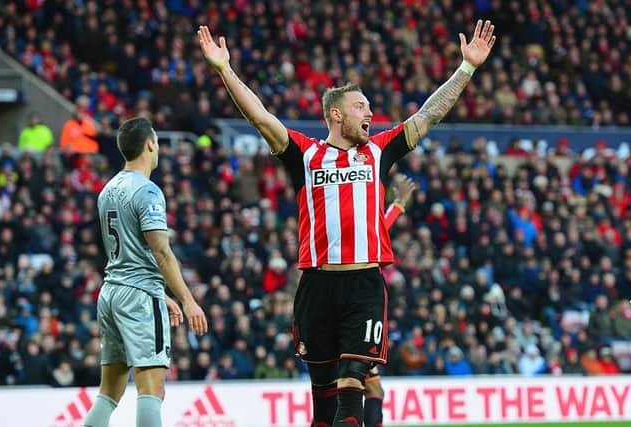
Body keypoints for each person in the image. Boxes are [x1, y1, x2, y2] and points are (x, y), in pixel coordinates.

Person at [197, 19, 495, 427]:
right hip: (317, 285)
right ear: (335, 115)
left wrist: (466, 69)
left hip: (364, 286)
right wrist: (224, 69)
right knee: (322, 401)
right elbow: (261, 119)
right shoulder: (305, 154)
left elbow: (429, 115)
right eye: (361, 107)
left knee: (354, 382)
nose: (370, 112)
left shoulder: (379, 151)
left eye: (369, 107)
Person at [83, 117, 208, 427]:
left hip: (112, 293)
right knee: (152, 390)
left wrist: (159, 293)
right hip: (137, 298)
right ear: (151, 144)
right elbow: (161, 251)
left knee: (109, 391)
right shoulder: (148, 192)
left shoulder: (107, 190)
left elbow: (127, 253)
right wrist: (187, 299)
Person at [363, 174, 416, 427]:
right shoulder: (366, 242)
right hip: (361, 315)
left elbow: (381, 225)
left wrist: (398, 205)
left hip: (338, 313)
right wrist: (399, 204)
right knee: (368, 389)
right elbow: (381, 226)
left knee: (338, 390)